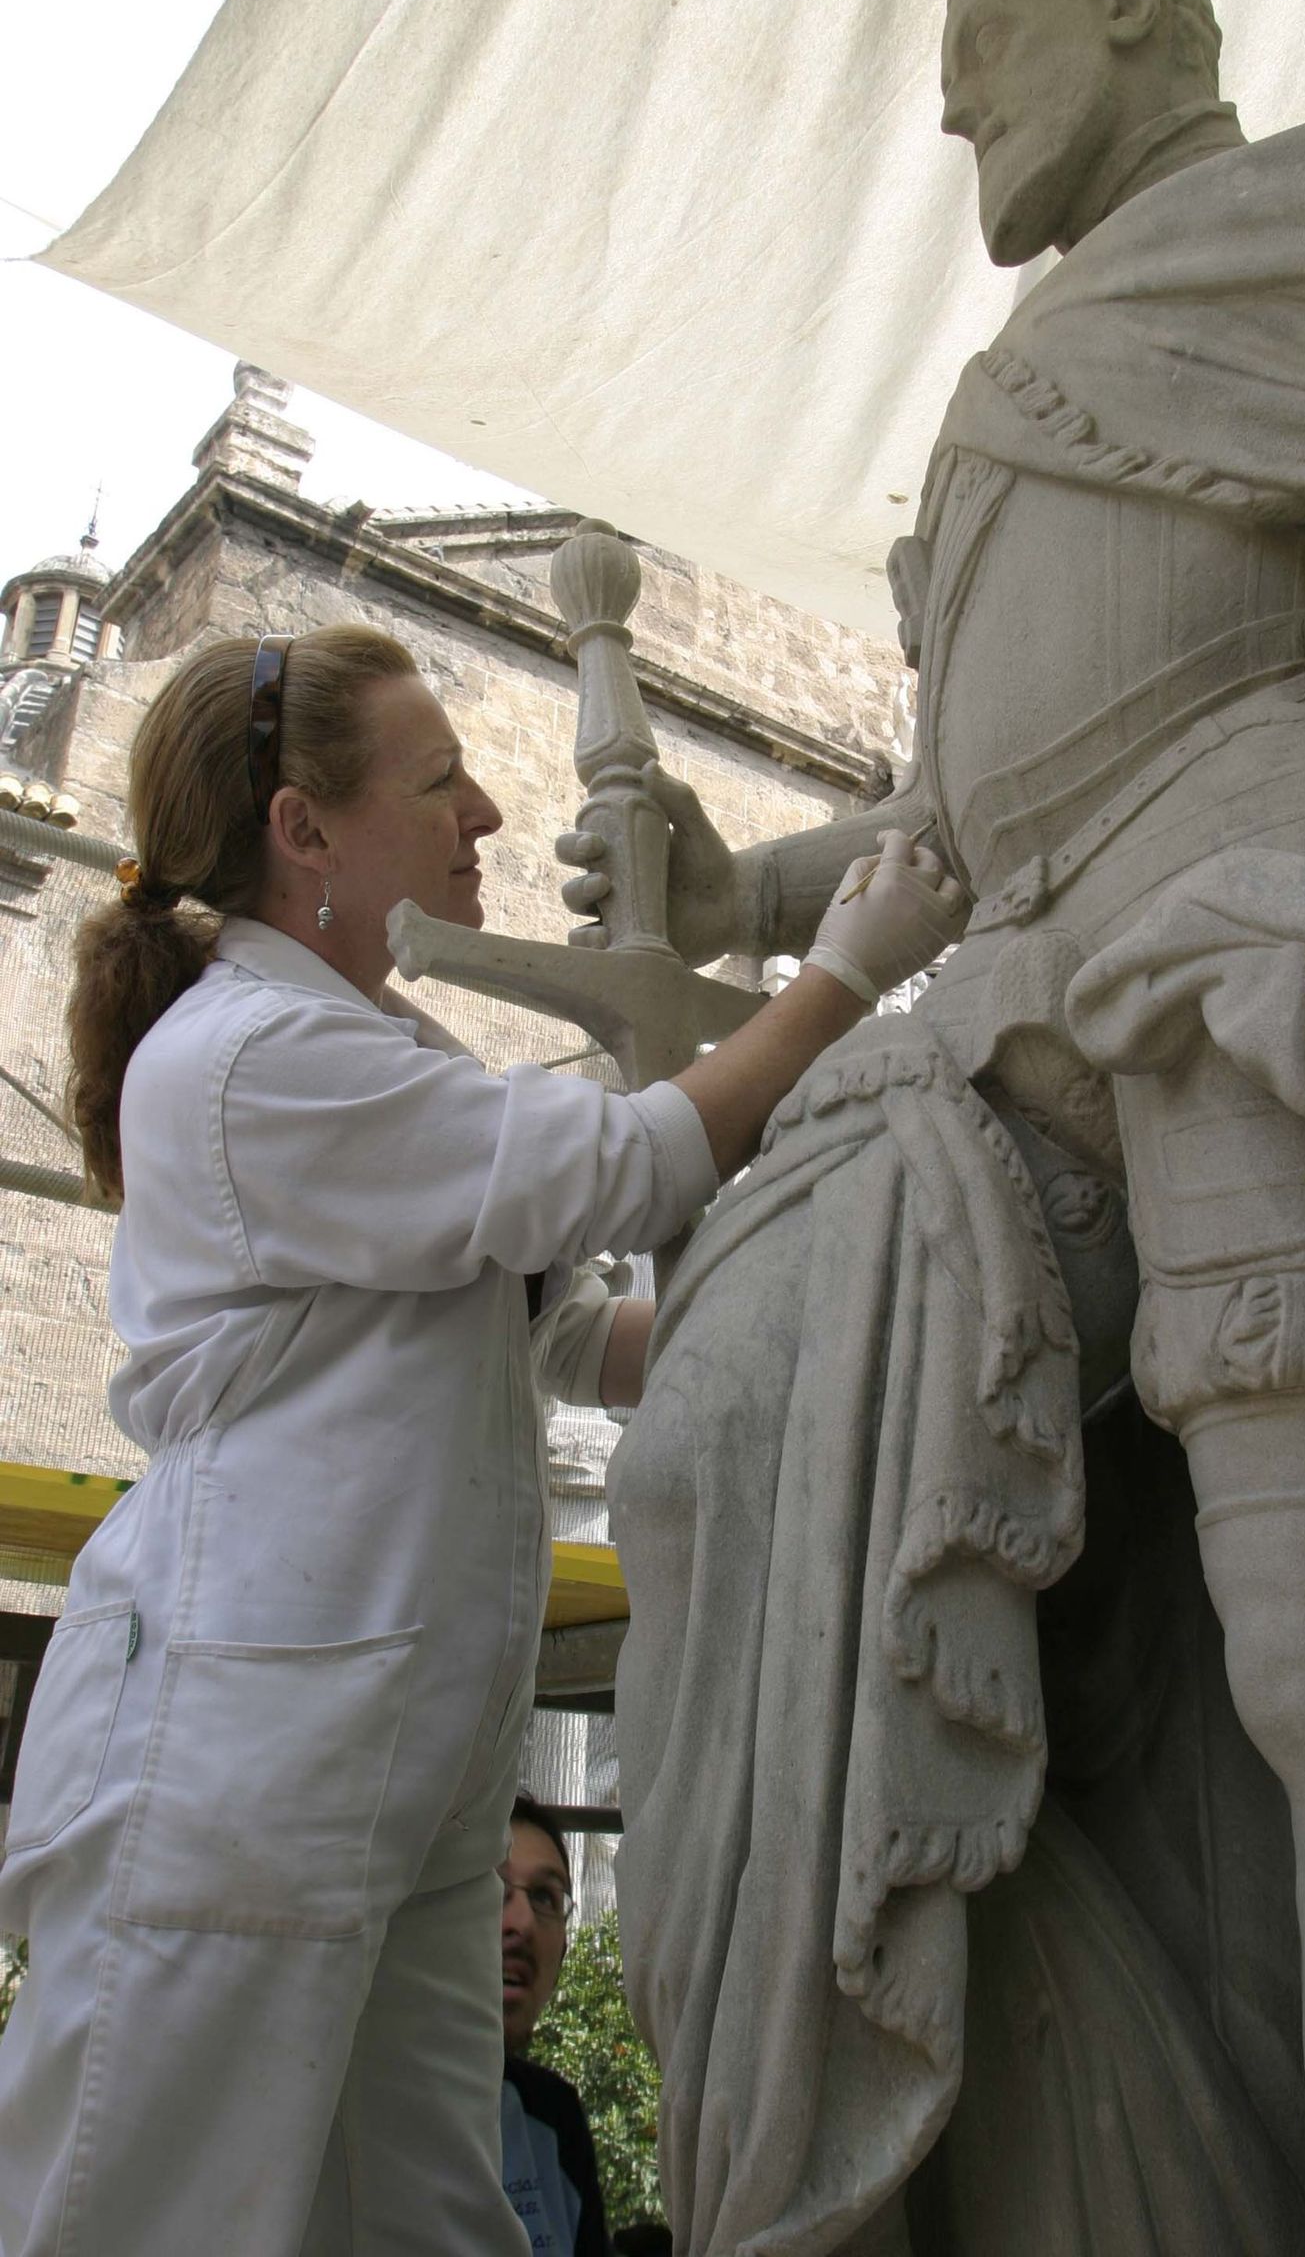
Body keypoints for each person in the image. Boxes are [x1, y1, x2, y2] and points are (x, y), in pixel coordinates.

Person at [564, 0, 1305, 2257]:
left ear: (1132, 7)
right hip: (1016, 995)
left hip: (1287, 896)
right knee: (722, 1425)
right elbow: (962, 806)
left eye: (983, 43)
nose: (951, 106)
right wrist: (735, 882)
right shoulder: (1022, 383)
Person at [0, 623, 965, 2257]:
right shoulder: (246, 1055)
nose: (489, 814)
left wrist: (812, 1320)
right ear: (305, 829)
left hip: (403, 1740)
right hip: (245, 1734)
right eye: (440, 779)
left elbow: (565, 1334)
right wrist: (844, 975)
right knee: (137, 2213)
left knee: (430, 2218)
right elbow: (624, 1166)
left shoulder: (380, 1050)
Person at [497, 1797, 609, 2257]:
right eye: (492, 1886)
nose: (521, 1922)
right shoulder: (358, 2109)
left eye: (545, 1897)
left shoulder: (552, 2115)